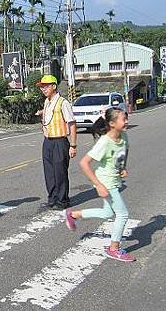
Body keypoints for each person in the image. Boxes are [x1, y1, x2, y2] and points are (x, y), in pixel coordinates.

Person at [63, 107, 135, 262]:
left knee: (108, 213)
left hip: (114, 180)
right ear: (112, 123)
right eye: (124, 119)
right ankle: (113, 248)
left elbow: (125, 150)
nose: (127, 121)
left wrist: (123, 167)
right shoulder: (104, 142)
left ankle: (73, 215)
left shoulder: (124, 136)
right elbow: (84, 163)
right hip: (105, 182)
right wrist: (98, 185)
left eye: (126, 118)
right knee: (122, 214)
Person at [35, 75, 77, 209]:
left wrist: (73, 145)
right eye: (42, 87)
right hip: (48, 142)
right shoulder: (47, 102)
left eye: (46, 86)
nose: (43, 89)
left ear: (54, 86)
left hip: (60, 141)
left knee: (60, 172)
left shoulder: (63, 103)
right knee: (49, 172)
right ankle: (52, 199)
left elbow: (72, 124)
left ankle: (62, 200)